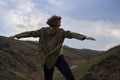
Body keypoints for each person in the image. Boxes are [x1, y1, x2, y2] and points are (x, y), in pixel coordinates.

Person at [8, 15, 95, 80]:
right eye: (59, 22)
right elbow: (72, 34)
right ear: (56, 23)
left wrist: (17, 35)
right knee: (70, 77)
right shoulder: (61, 32)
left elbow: (30, 33)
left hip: (46, 58)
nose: (60, 23)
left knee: (48, 78)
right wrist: (84, 37)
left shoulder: (43, 31)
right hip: (58, 57)